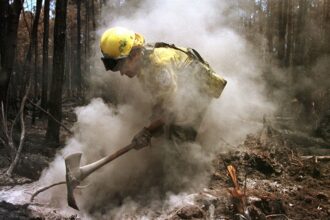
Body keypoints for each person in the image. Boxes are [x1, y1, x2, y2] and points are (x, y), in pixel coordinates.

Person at [99, 27, 226, 150]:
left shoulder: (158, 66)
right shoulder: (144, 63)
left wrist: (148, 131)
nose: (121, 72)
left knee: (178, 144)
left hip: (197, 89)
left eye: (121, 65)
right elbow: (161, 100)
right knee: (166, 134)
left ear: (134, 54)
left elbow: (172, 108)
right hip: (182, 92)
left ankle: (189, 168)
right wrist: (151, 129)